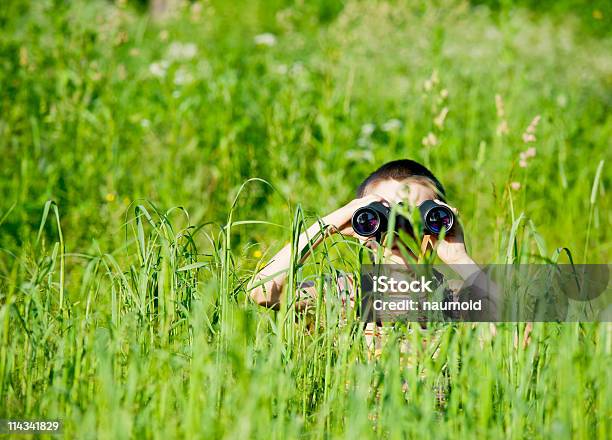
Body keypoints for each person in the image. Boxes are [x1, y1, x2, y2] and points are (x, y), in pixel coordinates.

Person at [248, 159, 502, 352]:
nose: (400, 230)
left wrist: (459, 258)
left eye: (418, 218)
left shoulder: (455, 298)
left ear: (439, 221)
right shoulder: (345, 293)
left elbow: (517, 338)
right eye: (386, 216)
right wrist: (328, 225)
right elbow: (262, 291)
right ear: (365, 228)